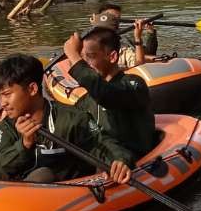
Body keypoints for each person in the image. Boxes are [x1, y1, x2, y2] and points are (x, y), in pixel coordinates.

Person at [0, 54, 132, 184]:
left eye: (7, 95)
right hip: (15, 184)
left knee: (43, 174)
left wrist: (120, 161)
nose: (2, 103)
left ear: (33, 89)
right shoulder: (8, 122)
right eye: (0, 96)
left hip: (53, 192)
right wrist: (25, 144)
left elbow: (105, 144)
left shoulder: (73, 119)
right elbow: (3, 165)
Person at [63, 27, 158, 164]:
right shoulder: (88, 99)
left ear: (112, 57)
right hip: (104, 160)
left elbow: (107, 95)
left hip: (134, 161)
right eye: (82, 59)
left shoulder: (134, 85)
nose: (85, 64)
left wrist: (74, 56)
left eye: (89, 57)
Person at [89, 3, 158, 67]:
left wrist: (151, 32)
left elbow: (150, 53)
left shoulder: (123, 37)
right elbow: (139, 62)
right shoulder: (91, 39)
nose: (115, 22)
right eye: (112, 17)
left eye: (118, 18)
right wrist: (137, 38)